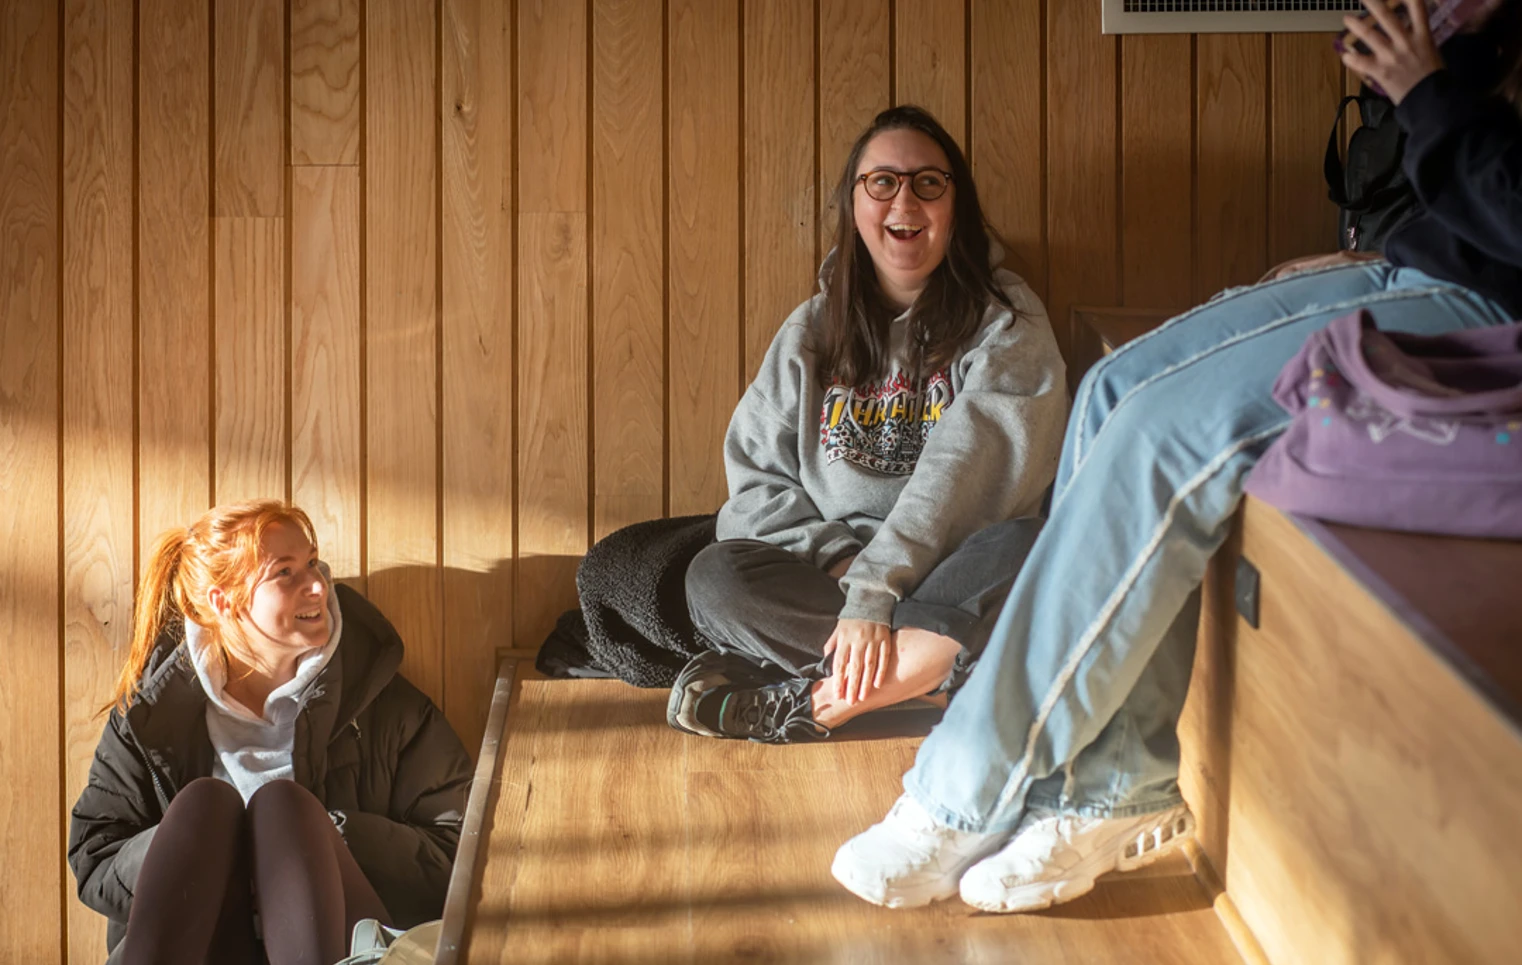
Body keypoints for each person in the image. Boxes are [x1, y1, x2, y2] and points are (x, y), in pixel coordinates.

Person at [831, 0, 1522, 913]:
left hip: (1491, 307)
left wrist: (1427, 90)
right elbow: (1467, 192)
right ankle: (1116, 786)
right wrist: (1447, 66)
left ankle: (963, 783)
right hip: (1426, 265)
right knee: (1114, 387)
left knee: (1165, 434)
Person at [665, 105, 1068, 744]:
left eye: (928, 182)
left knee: (1033, 547)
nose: (904, 200)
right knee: (714, 577)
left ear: (956, 206)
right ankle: (930, 677)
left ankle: (823, 701)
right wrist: (851, 576)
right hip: (837, 581)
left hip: (953, 570)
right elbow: (756, 483)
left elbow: (965, 472)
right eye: (882, 181)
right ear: (854, 204)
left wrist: (880, 589)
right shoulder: (811, 330)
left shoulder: (1006, 321)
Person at [69, 500, 472, 964]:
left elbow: (459, 849)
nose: (318, 585)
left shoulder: (381, 701)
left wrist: (327, 837)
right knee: (204, 808)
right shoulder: (151, 716)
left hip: (338, 944)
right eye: (285, 572)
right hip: (203, 945)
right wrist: (204, 851)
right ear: (223, 602)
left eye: (313, 563)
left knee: (285, 810)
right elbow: (96, 853)